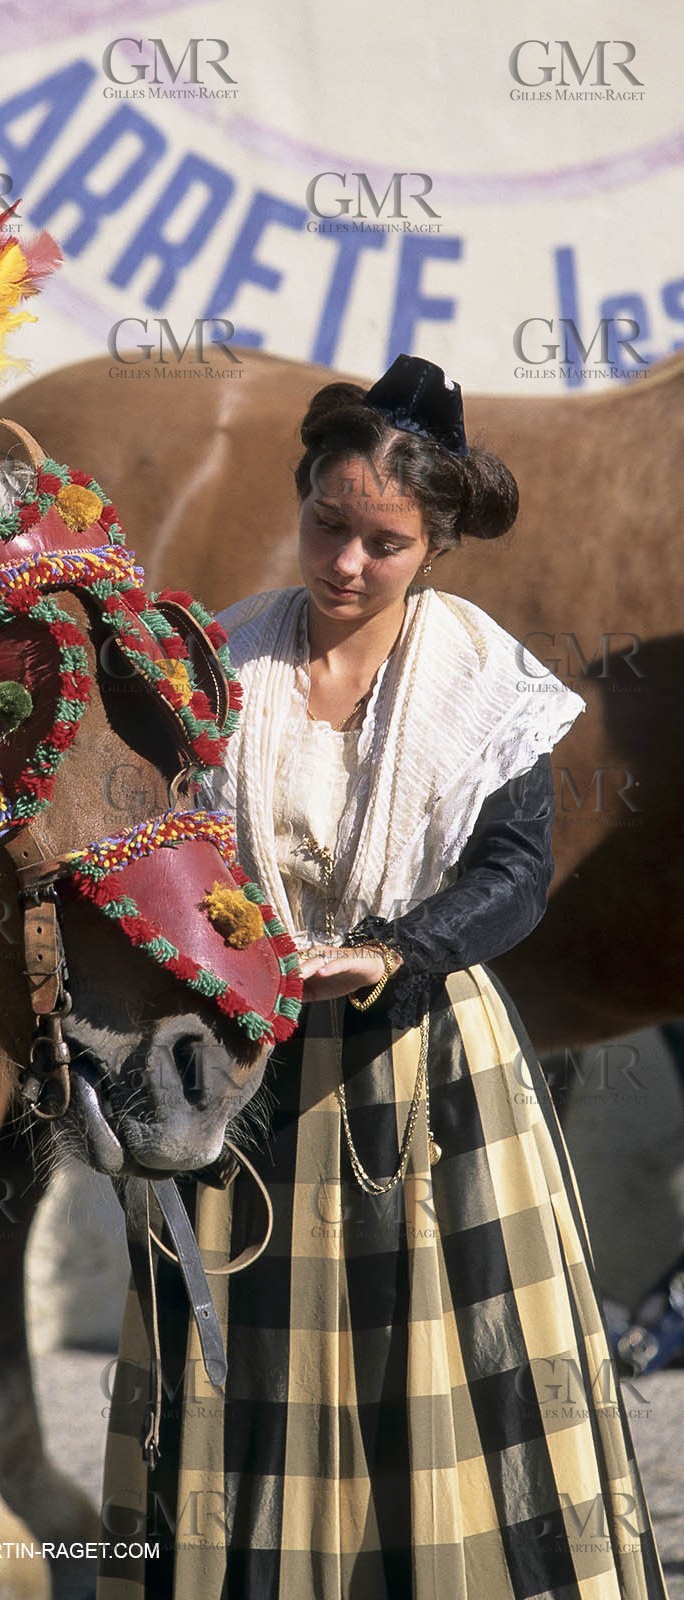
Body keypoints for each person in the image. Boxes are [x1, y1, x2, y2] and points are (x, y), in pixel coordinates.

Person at [97, 355, 668, 1599]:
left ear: (436, 547)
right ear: (299, 496)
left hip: (424, 1067)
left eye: (386, 543)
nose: (347, 561)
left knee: (434, 1368)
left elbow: (518, 873)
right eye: (327, 524)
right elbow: (164, 848)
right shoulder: (219, 659)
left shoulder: (486, 680)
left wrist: (400, 945)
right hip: (241, 1070)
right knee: (251, 1373)